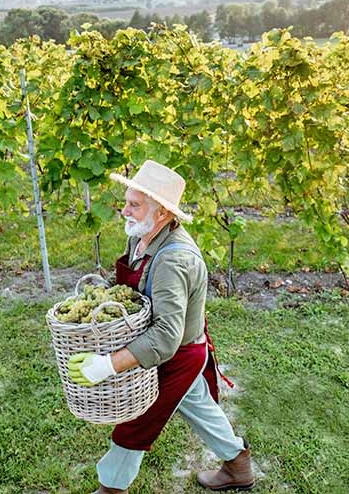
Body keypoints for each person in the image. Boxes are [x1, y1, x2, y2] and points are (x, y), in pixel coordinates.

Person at [67, 160, 254, 493]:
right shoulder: (144, 237)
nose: (124, 211)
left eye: (134, 205)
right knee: (197, 404)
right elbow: (134, 286)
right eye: (126, 201)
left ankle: (110, 489)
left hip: (176, 354)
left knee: (139, 422)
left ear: (164, 214)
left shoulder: (172, 260)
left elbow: (167, 337)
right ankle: (238, 466)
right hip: (173, 347)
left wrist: (107, 365)